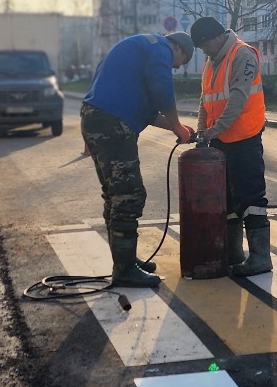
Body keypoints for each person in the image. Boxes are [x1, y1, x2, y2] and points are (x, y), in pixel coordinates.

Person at [81, 32, 196, 287]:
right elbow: (161, 87)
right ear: (176, 47)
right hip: (113, 123)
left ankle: (126, 260)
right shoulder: (160, 48)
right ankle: (124, 271)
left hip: (96, 117)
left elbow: (146, 112)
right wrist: (176, 124)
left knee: (114, 195)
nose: (177, 66)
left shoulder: (137, 48)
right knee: (129, 196)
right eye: (181, 60)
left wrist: (177, 128)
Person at [190, 16, 272, 277]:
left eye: (204, 45)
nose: (204, 51)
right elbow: (206, 98)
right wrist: (203, 129)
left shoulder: (242, 55)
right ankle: (233, 253)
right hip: (221, 141)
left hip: (244, 139)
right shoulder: (211, 61)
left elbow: (238, 97)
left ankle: (260, 258)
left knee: (250, 197)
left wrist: (215, 129)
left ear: (215, 37)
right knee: (225, 199)